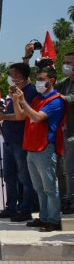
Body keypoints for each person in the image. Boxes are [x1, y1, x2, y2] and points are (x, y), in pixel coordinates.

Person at [13, 66, 67, 232]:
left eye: (42, 79)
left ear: (52, 81)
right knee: (39, 188)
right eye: (37, 79)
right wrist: (15, 100)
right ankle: (44, 217)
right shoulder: (38, 99)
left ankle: (54, 220)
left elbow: (37, 117)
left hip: (45, 148)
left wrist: (23, 101)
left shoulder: (56, 101)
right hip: (32, 147)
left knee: (50, 188)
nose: (38, 82)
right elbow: (20, 116)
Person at [0, 62, 39, 222]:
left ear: (19, 75)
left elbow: (23, 116)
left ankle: (25, 209)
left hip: (21, 140)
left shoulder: (30, 92)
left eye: (11, 74)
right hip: (9, 139)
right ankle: (11, 207)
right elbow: (13, 113)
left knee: (24, 177)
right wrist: (2, 114)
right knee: (9, 176)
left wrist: (4, 117)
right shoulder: (14, 92)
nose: (9, 77)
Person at [57, 52, 74, 214]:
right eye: (65, 62)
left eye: (69, 62)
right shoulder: (65, 82)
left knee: (70, 169)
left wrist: (55, 95)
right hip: (66, 131)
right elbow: (50, 90)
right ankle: (69, 199)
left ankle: (71, 200)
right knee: (68, 170)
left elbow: (68, 99)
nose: (66, 65)